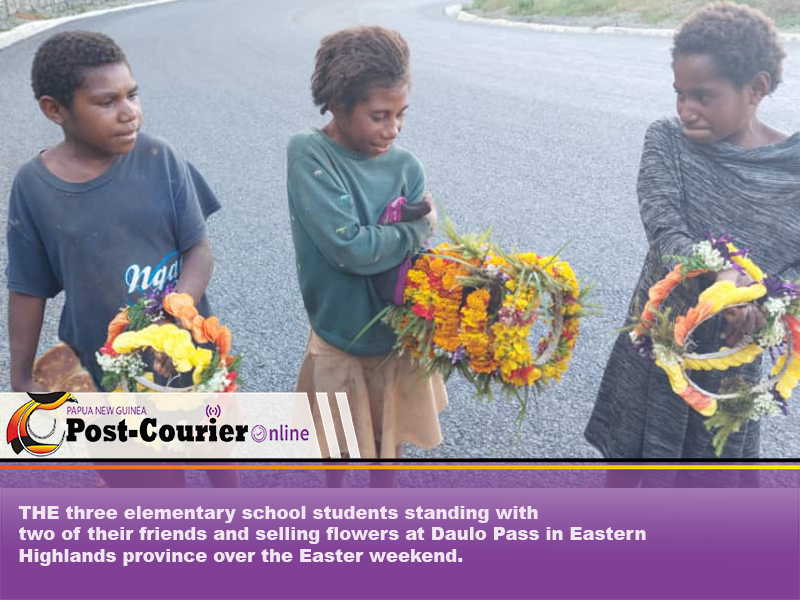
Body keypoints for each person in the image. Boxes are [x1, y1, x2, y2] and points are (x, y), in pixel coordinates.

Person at [6, 30, 235, 487]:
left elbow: (198, 250)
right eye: (106, 101)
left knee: (220, 461)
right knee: (147, 485)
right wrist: (19, 379)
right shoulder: (34, 188)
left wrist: (175, 314)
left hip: (188, 350)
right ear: (55, 110)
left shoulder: (159, 157)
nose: (128, 111)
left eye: (132, 94)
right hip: (107, 374)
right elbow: (27, 289)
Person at [584, 2, 800, 487]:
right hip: (655, 345)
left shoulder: (793, 169)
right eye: (680, 93)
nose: (687, 109)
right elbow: (664, 230)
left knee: (710, 489)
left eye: (703, 95)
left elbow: (794, 270)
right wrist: (721, 276)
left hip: (730, 360)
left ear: (758, 88)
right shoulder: (667, 142)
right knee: (627, 469)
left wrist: (760, 307)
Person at [287, 25, 447, 487]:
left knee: (387, 445)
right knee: (336, 447)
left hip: (396, 336)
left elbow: (413, 252)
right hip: (340, 336)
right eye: (379, 115)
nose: (392, 129)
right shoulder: (311, 154)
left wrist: (403, 236)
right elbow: (349, 248)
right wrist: (415, 227)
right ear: (338, 103)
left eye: (400, 115)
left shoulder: (406, 166)